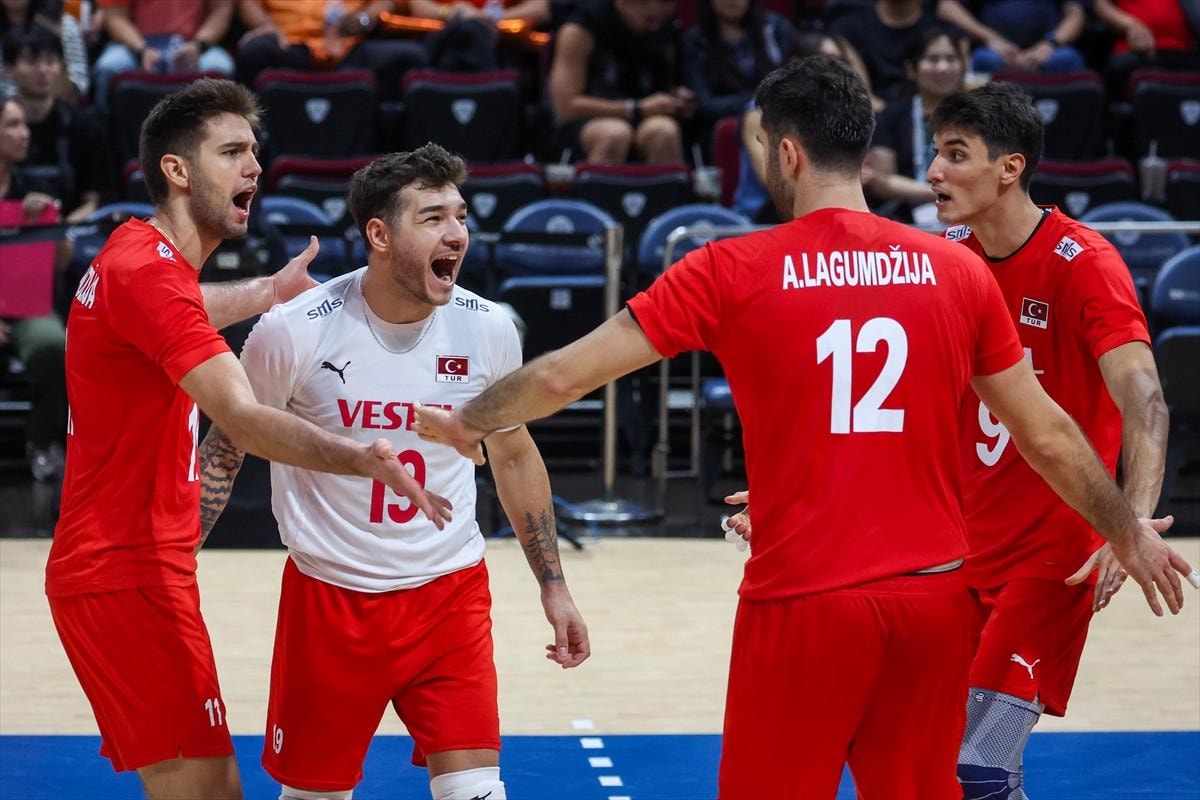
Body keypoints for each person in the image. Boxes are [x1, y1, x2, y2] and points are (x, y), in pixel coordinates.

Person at [413, 55, 1194, 798]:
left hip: (807, 603)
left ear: (786, 152)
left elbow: (561, 377)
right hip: (933, 603)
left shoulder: (730, 268)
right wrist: (1127, 530)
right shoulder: (955, 268)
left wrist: (467, 421)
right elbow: (1047, 434)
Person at [45, 78, 449, 800]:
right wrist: (361, 458)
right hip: (124, 574)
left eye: (254, 152)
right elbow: (241, 415)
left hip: (132, 567)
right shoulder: (147, 274)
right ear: (177, 170)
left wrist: (269, 291)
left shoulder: (136, 256)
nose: (255, 167)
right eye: (232, 152)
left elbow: (186, 306)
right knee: (209, 792)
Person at [195, 144, 589, 800]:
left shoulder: (490, 328)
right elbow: (225, 448)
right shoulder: (293, 331)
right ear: (379, 235)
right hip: (331, 599)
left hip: (449, 596)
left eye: (461, 216)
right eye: (433, 218)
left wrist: (554, 586)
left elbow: (514, 452)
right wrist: (176, 566)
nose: (456, 233)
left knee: (477, 792)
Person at [925, 81, 1175, 798]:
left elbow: (1146, 401)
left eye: (955, 154)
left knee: (980, 765)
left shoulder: (1084, 262)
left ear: (1010, 168)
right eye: (935, 153)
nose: (934, 171)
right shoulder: (946, 261)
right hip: (957, 551)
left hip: (1053, 558)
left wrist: (1130, 526)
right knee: (942, 763)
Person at [0, 94, 68, 481]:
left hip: (27, 307)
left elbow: (61, 262)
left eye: (24, 124)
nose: (24, 133)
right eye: (12, 125)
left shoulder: (34, 189)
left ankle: (41, 441)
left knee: (53, 344)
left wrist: (50, 224)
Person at [547, 0, 695, 164]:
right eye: (649, 19)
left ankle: (667, 182)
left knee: (664, 132)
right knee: (614, 135)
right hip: (589, 118)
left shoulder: (665, 26)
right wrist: (636, 109)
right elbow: (565, 107)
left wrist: (677, 98)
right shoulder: (580, 27)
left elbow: (667, 82)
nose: (656, 27)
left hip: (646, 114)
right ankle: (597, 181)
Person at [3, 25, 108, 221]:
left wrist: (59, 228)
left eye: (50, 61)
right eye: (32, 62)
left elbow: (94, 201)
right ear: (9, 69)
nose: (43, 70)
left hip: (70, 229)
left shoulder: (84, 126)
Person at [862, 26, 965, 225]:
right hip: (905, 218)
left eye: (951, 59)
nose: (942, 67)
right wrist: (942, 193)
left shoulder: (977, 117)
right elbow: (881, 180)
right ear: (911, 68)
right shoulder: (892, 115)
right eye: (933, 59)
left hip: (964, 218)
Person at [235, 0, 426, 101]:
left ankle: (372, 136)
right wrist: (267, 26)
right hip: (290, 44)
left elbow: (387, 2)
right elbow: (249, 3)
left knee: (409, 57)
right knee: (255, 52)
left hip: (349, 45)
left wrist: (364, 18)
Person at [92, 0, 237, 110]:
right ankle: (101, 130)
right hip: (135, 43)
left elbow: (221, 11)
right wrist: (142, 50)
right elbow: (115, 16)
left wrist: (198, 46)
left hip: (194, 43)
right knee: (109, 67)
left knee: (219, 67)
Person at [937, 0, 1086, 74]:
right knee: (984, 60)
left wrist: (1050, 44)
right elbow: (947, 7)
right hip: (994, 48)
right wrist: (990, 38)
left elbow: (1076, 14)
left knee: (1067, 59)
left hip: (1048, 49)